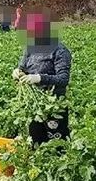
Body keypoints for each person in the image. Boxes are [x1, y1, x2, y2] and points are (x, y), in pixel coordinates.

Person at [12, 11, 72, 146]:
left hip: (54, 104)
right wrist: (17, 72)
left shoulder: (60, 51)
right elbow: (22, 67)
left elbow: (63, 79)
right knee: (36, 140)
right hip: (35, 105)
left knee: (57, 143)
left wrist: (39, 78)